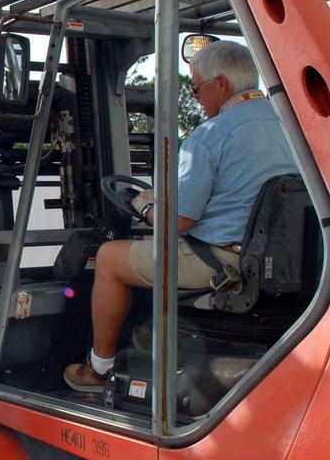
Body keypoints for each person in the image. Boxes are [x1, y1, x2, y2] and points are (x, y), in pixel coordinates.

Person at [64, 41, 299, 393]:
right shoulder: (293, 127)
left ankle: (99, 369)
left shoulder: (210, 136)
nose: (196, 96)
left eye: (196, 87)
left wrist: (145, 206)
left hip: (224, 262)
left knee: (111, 258)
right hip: (284, 261)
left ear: (221, 84)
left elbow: (178, 221)